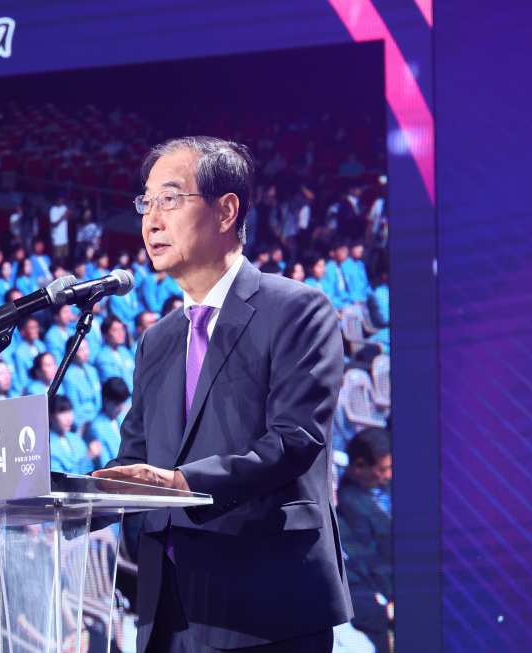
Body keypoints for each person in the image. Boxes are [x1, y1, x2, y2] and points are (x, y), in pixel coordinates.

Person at [92, 136, 350, 652]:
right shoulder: (157, 339)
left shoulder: (298, 309)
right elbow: (134, 457)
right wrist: (66, 495)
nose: (151, 219)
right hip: (169, 610)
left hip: (265, 602)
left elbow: (294, 440)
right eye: (146, 202)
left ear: (227, 209)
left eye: (169, 199)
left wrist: (183, 482)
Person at [336, 428, 392, 653]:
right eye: (383, 469)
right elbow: (372, 560)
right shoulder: (351, 508)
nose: (388, 475)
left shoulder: (381, 485)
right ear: (360, 466)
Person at [84, 377, 131, 467]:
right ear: (106, 401)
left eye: (122, 402)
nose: (121, 407)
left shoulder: (122, 418)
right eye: (117, 403)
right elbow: (105, 464)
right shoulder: (97, 428)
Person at [48, 395, 96, 475]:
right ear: (51, 416)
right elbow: (61, 480)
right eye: (63, 413)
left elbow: (90, 471)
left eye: (70, 412)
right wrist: (88, 457)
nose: (69, 418)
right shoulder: (48, 446)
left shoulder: (76, 439)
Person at [62, 338, 101, 424]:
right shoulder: (69, 377)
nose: (86, 352)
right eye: (81, 350)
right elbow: (74, 408)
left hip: (98, 418)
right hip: (84, 422)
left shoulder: (92, 370)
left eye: (87, 348)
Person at [49, 195, 70, 263]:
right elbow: (54, 223)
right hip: (57, 240)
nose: (62, 201)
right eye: (60, 199)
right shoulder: (53, 210)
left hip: (64, 239)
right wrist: (63, 216)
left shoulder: (64, 208)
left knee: (64, 258)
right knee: (57, 259)